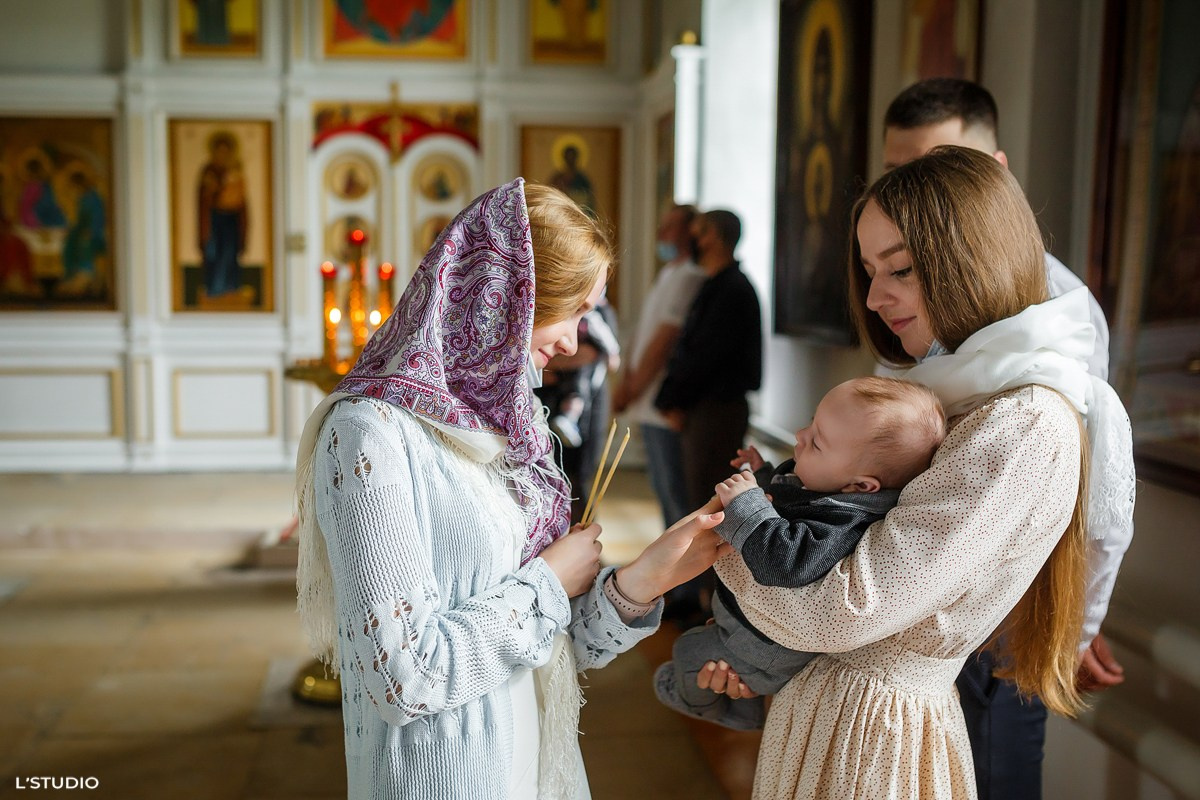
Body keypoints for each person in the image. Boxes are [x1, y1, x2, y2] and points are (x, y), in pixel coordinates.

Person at [700, 147, 1134, 799]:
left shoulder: (1023, 420)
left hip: (874, 731)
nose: (876, 298)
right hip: (838, 705)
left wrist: (728, 544)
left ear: (972, 260)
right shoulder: (957, 393)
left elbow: (847, 611)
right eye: (870, 271)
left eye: (899, 269)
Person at [294, 178, 730, 800]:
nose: (575, 341)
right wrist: (551, 580)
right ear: (507, 297)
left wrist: (645, 579)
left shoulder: (509, 425)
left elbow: (550, 644)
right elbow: (402, 678)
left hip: (537, 764)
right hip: (446, 778)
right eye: (573, 311)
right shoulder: (371, 432)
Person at [883, 77, 1134, 800]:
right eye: (896, 173)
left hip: (1002, 613)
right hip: (914, 600)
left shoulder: (1054, 307)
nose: (912, 195)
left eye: (935, 167)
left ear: (992, 172)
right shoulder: (904, 286)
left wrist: (1074, 621)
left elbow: (1085, 485)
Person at [654, 376, 946, 731]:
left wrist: (748, 504)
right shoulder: (831, 487)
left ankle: (702, 704)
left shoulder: (843, 523)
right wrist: (762, 473)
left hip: (765, 646)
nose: (799, 435)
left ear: (861, 485)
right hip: (747, 624)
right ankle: (746, 708)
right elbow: (789, 495)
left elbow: (785, 562)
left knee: (688, 651)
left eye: (817, 442)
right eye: (811, 423)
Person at [655, 208, 763, 624]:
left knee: (710, 508)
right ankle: (695, 595)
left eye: (698, 232)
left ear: (715, 237)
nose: (692, 239)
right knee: (695, 499)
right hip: (707, 407)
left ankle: (713, 608)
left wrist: (672, 399)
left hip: (716, 410)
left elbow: (704, 356)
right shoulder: (719, 284)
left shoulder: (731, 288)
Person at [612, 204, 705, 529]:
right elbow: (643, 333)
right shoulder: (668, 273)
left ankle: (682, 563)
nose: (661, 233)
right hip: (645, 399)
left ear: (689, 231)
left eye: (671, 225)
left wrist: (632, 389)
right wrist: (626, 382)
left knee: (675, 495)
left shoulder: (691, 276)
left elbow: (665, 341)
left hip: (663, 402)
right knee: (662, 491)